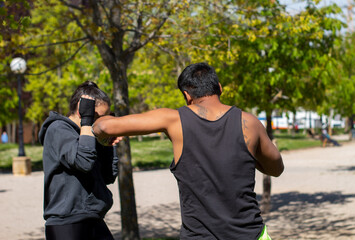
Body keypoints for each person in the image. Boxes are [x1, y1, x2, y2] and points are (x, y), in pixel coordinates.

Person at [92, 62, 284, 240]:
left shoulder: (173, 120)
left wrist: (97, 123)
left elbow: (106, 128)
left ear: (187, 95)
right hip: (251, 235)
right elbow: (276, 168)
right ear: (220, 88)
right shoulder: (249, 122)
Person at [38, 81, 121, 240]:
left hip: (92, 218)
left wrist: (107, 143)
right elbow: (83, 162)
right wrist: (87, 122)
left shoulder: (89, 136)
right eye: (98, 116)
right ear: (81, 110)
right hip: (66, 222)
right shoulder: (58, 129)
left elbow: (109, 176)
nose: (100, 122)